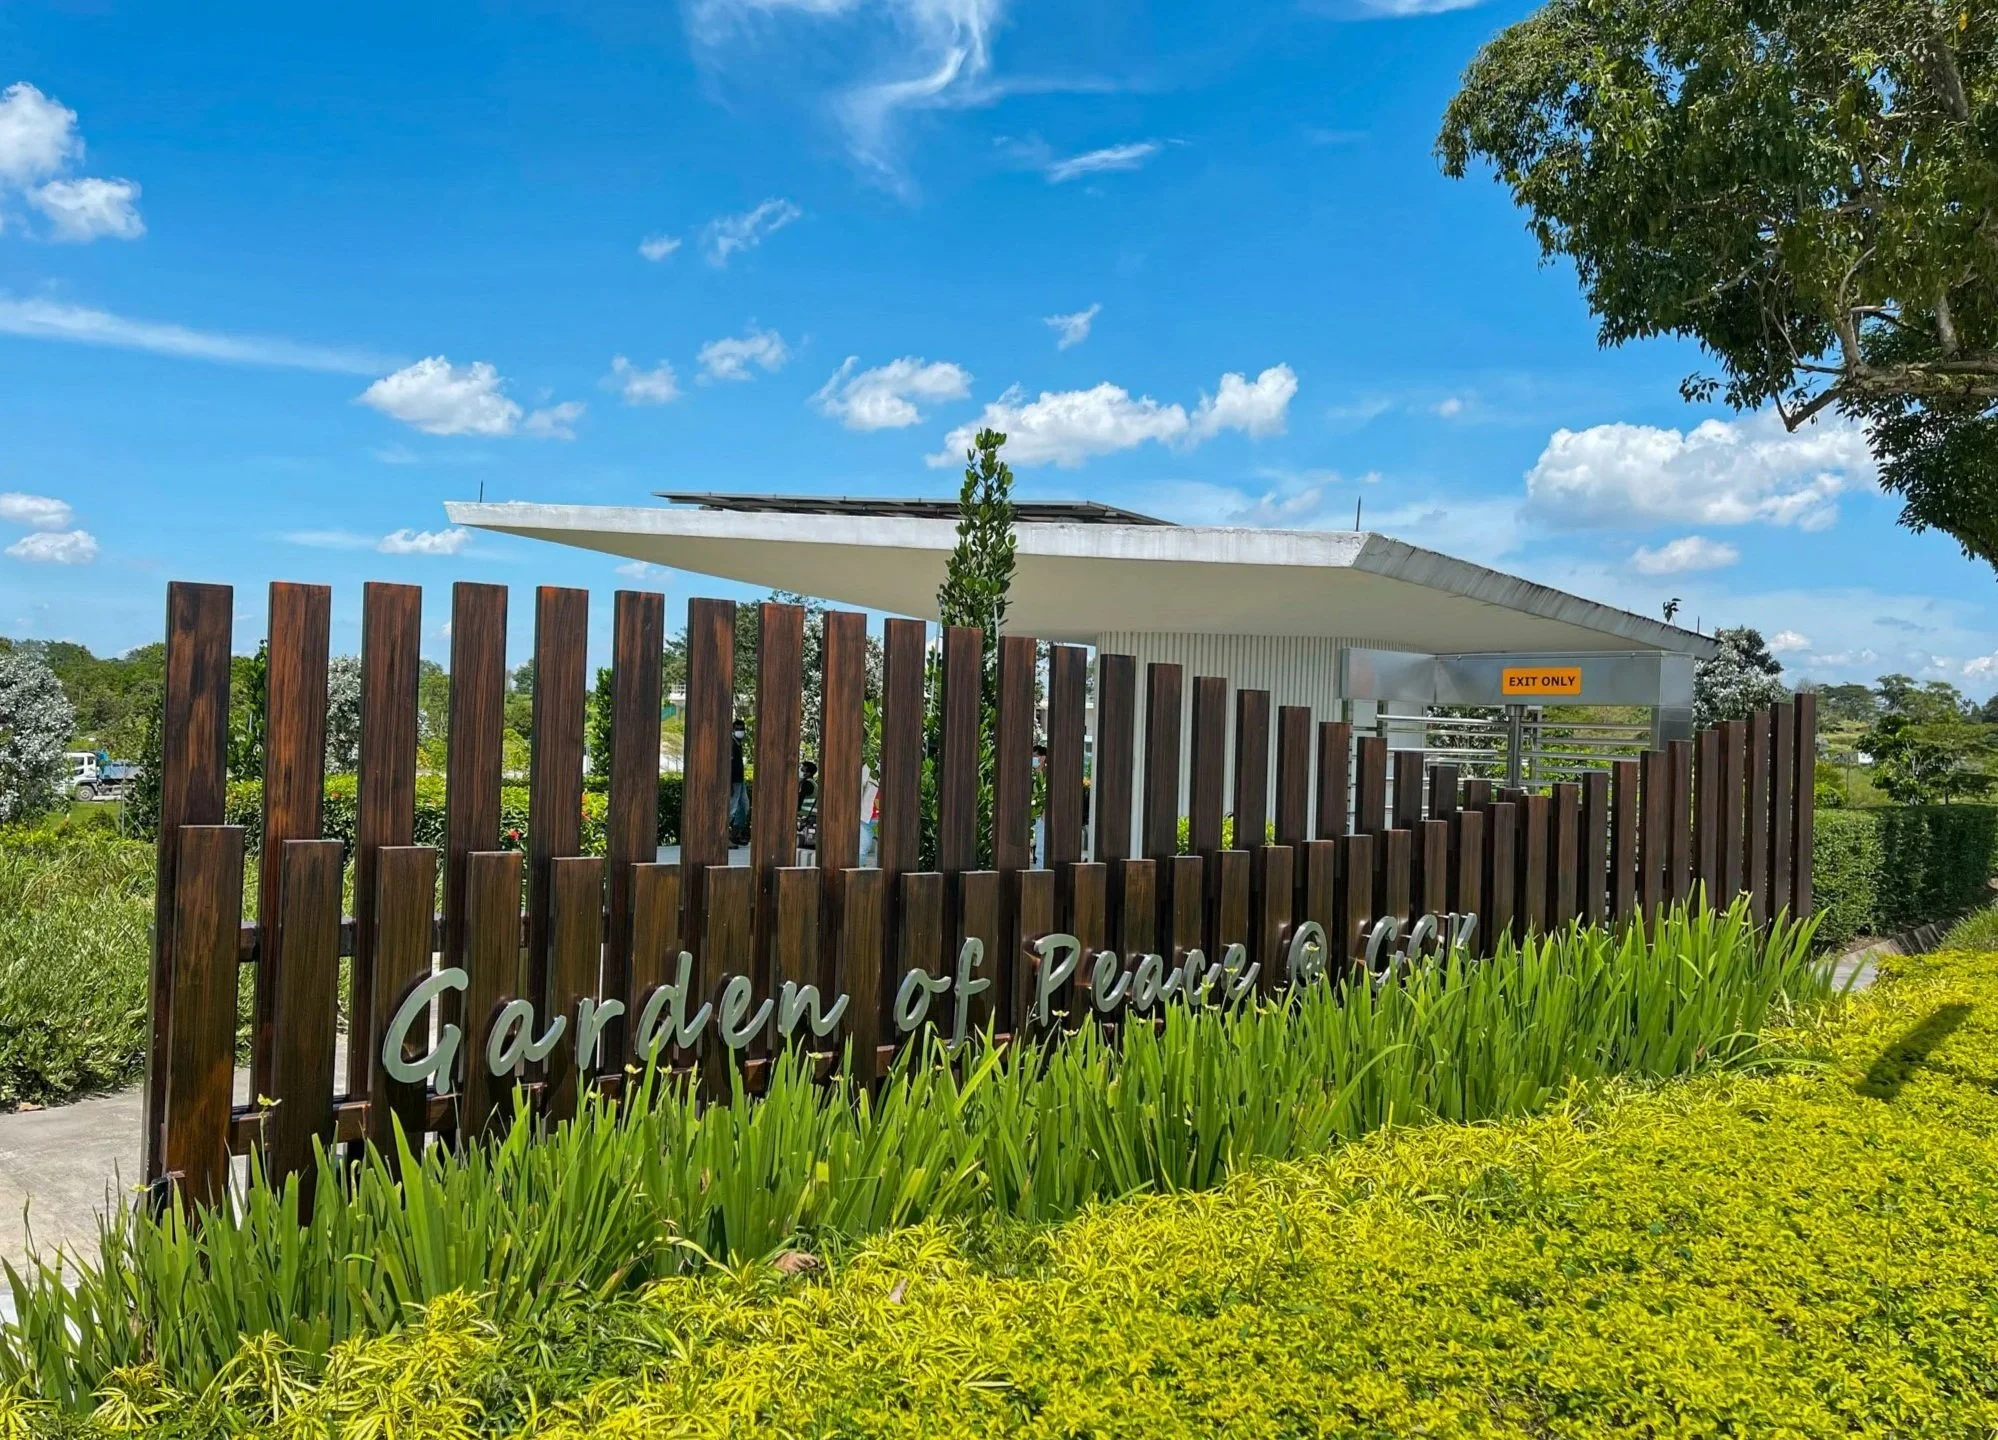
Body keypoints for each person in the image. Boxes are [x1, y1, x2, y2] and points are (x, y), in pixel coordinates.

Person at [728, 720, 749, 845]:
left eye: (742, 728)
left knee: (743, 807)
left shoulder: (737, 743)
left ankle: (735, 835)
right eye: (738, 728)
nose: (740, 731)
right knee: (731, 808)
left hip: (740, 781)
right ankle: (724, 837)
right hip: (734, 781)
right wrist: (729, 783)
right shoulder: (731, 744)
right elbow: (728, 764)